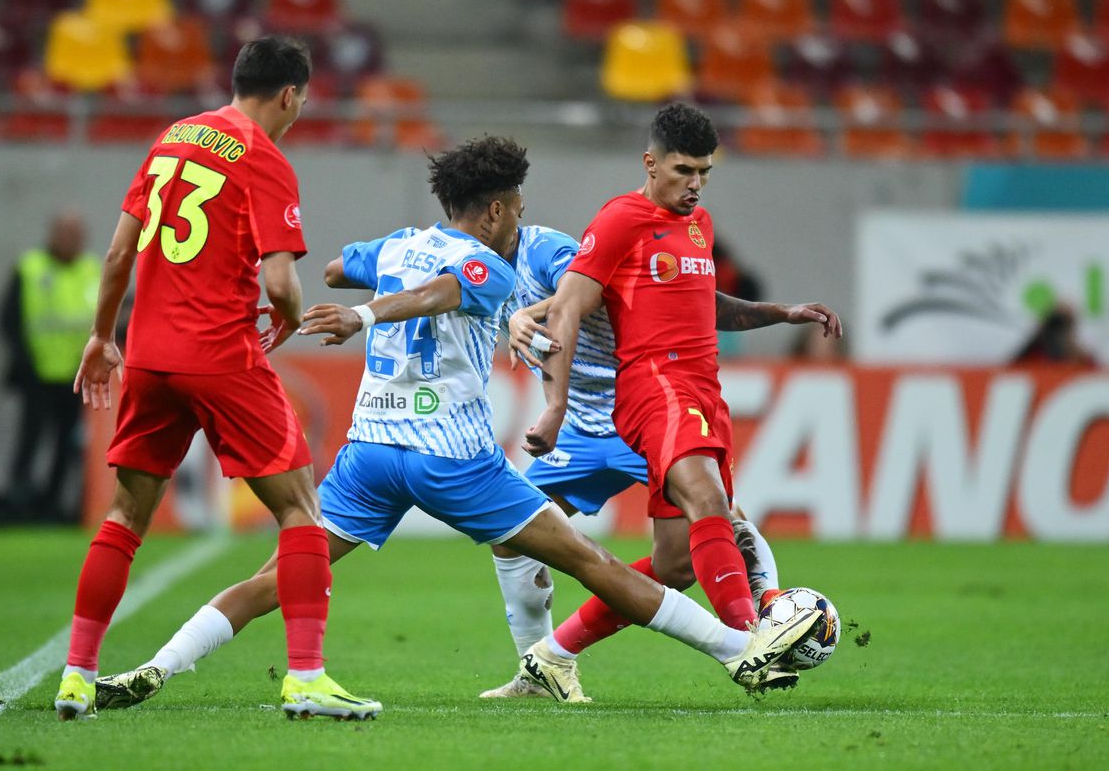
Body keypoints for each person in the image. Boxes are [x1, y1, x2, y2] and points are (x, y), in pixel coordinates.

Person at [91, 136, 824, 714]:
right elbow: (450, 288)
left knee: (275, 576)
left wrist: (365, 287)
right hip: (452, 460)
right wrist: (373, 311)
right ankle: (737, 649)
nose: (519, 223)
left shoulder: (398, 247)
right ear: (498, 210)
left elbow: (344, 265)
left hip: (370, 453)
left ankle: (158, 664)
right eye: (517, 209)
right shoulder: (494, 268)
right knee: (589, 561)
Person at [54, 36, 372, 722]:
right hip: (222, 357)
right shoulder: (264, 156)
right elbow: (282, 281)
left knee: (124, 517)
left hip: (146, 356)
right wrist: (288, 320)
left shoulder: (172, 138)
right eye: (303, 101)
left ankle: (77, 675)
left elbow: (117, 254)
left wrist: (101, 337)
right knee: (301, 511)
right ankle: (307, 677)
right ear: (289, 94)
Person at [513, 103, 842, 700]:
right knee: (708, 499)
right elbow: (566, 305)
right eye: (684, 170)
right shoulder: (620, 219)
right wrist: (554, 405)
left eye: (705, 173)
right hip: (654, 387)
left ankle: (552, 655)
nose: (694, 184)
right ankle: (751, 643)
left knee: (675, 565)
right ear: (651, 162)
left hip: (704, 391)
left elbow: (703, 300)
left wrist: (780, 313)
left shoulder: (700, 226)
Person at [0, 210, 100, 523]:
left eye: (76, 235)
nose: (71, 241)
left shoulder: (93, 270)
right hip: (37, 375)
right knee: (30, 440)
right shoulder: (30, 268)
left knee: (67, 444)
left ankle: (52, 506)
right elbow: (8, 319)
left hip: (76, 376)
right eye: (66, 234)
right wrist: (23, 360)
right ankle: (18, 503)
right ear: (52, 235)